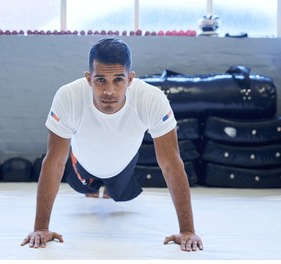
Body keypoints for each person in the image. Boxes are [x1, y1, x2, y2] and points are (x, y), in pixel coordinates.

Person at [21, 38, 203, 252]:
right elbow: (54, 160)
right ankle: (93, 185)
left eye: (118, 79)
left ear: (130, 79)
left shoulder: (151, 98)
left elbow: (172, 163)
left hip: (123, 165)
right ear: (89, 79)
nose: (109, 91)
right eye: (100, 80)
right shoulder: (69, 96)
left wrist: (187, 230)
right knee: (83, 186)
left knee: (118, 196)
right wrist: (41, 227)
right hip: (83, 164)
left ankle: (109, 186)